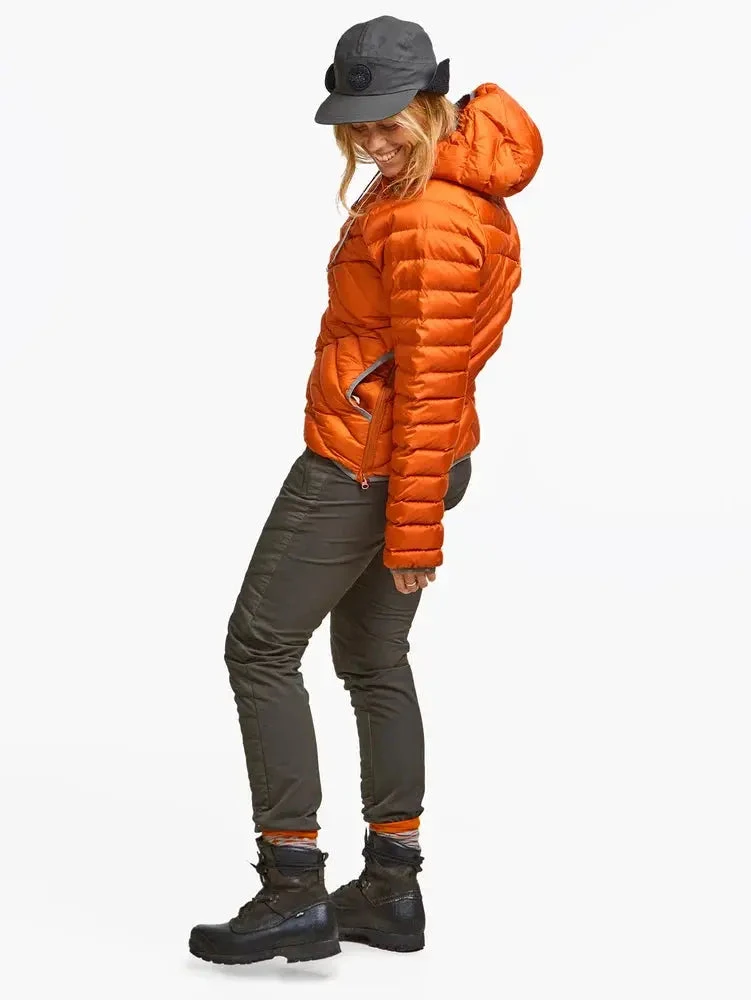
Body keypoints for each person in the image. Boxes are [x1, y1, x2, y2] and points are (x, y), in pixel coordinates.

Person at [189, 14, 543, 965]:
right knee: (373, 660)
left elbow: (429, 380)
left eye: (389, 121)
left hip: (368, 464)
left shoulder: (430, 213)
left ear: (431, 103)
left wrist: (413, 531)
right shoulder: (432, 181)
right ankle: (390, 889)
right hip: (410, 457)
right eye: (358, 126)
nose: (373, 141)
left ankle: (291, 887)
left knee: (260, 647)